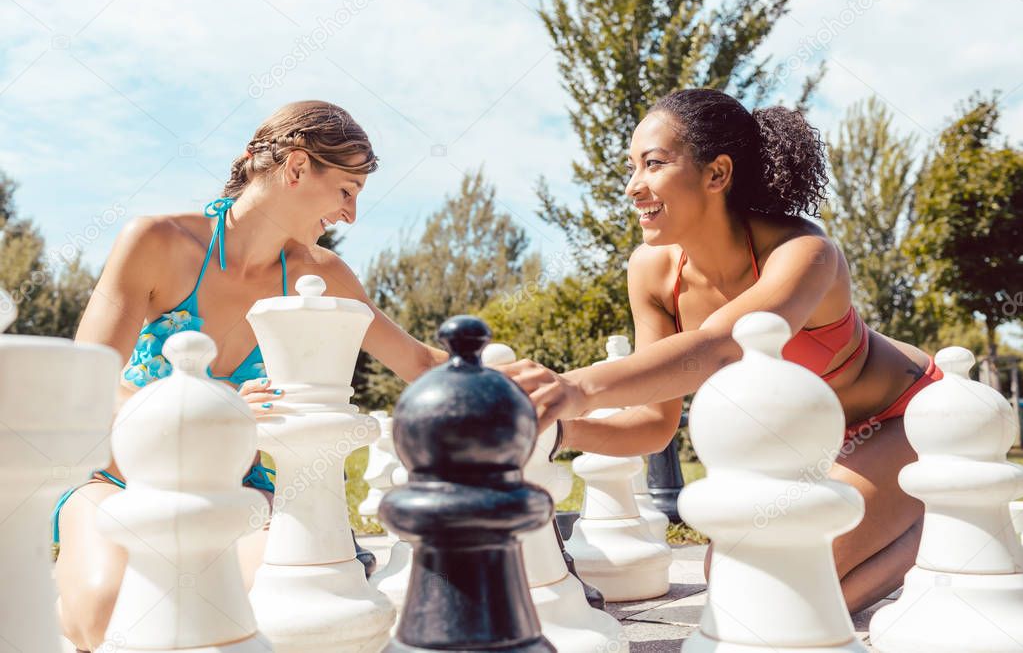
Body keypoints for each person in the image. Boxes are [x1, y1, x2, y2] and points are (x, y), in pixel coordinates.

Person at [499, 88, 941, 614]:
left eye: (653, 164)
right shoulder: (652, 270)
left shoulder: (806, 253)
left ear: (717, 174)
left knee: (783, 595)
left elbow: (719, 346)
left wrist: (574, 388)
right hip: (807, 450)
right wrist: (556, 429)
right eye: (632, 166)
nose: (632, 186)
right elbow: (653, 423)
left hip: (901, 418)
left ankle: (938, 522)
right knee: (732, 582)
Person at [52, 100, 447, 651]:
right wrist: (221, 407)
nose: (350, 215)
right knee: (105, 615)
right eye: (347, 191)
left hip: (242, 493)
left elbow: (421, 365)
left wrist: (526, 383)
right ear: (297, 167)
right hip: (119, 482)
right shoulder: (158, 242)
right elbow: (85, 383)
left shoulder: (320, 274)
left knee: (285, 615)